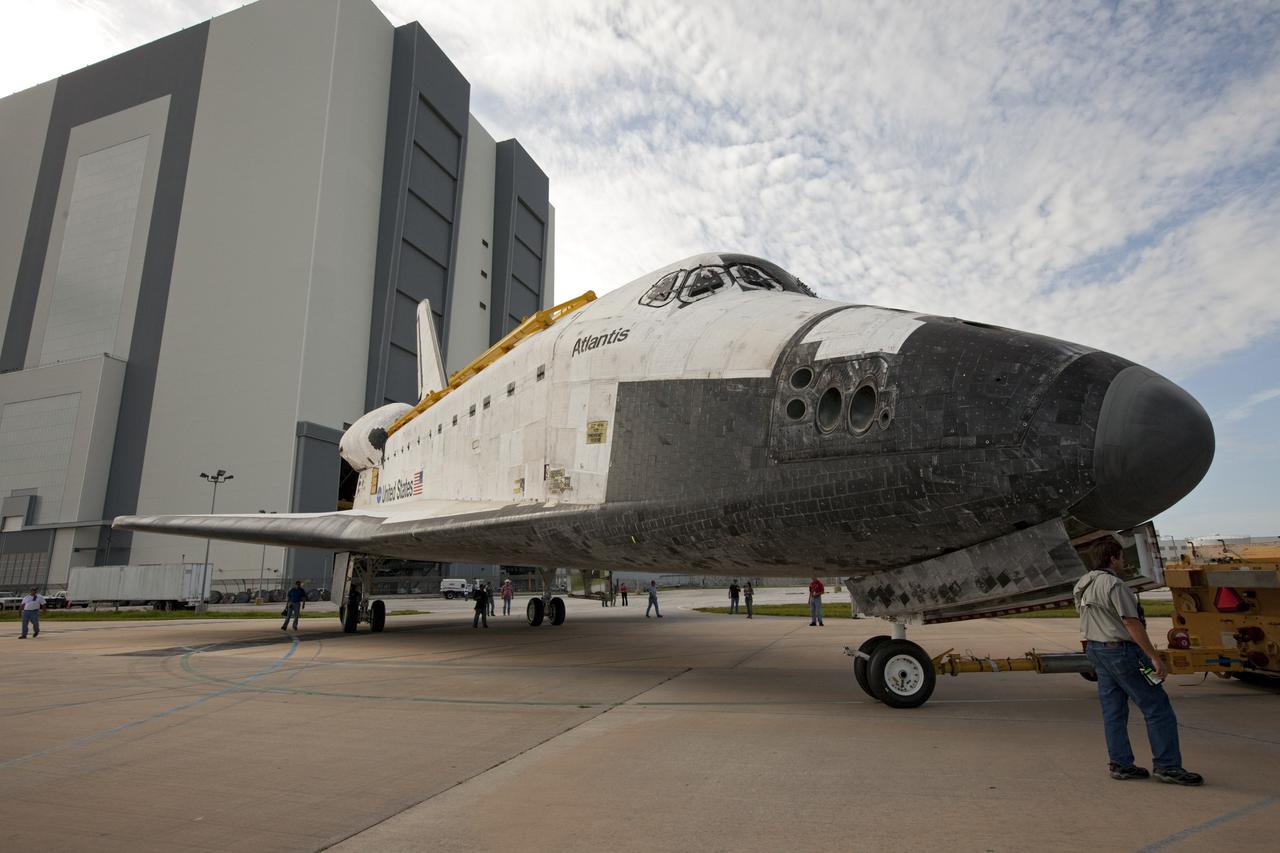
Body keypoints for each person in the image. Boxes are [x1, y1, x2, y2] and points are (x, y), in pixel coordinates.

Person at [1074, 538, 1203, 786]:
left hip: (1096, 650)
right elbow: (1130, 623)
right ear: (1112, 558)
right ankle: (1168, 766)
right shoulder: (1114, 584)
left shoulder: (1083, 583)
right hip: (1123, 652)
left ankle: (1120, 763)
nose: (1123, 561)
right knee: (1157, 706)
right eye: (1121, 557)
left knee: (1113, 710)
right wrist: (1154, 657)